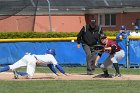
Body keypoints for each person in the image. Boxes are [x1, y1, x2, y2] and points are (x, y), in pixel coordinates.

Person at [0, 49, 66, 79]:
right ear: (53, 54)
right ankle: (18, 73)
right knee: (29, 76)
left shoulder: (45, 56)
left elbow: (50, 66)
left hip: (27, 56)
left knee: (12, 66)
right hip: (32, 60)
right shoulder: (51, 57)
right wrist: (63, 72)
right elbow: (57, 66)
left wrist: (56, 73)